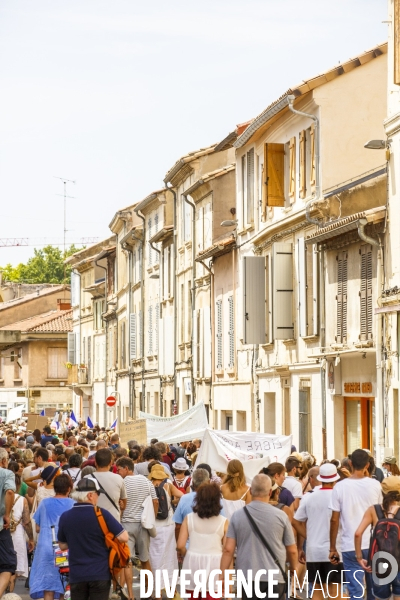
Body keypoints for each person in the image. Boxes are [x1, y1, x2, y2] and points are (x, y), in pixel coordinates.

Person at [220, 474, 297, 600]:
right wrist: (293, 569)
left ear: (250, 491)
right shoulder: (281, 516)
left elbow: (228, 549)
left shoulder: (237, 516)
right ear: (270, 492)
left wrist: (222, 574)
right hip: (274, 576)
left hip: (247, 576)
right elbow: (292, 550)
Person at [58, 477, 129, 600]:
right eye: (98, 494)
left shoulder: (65, 517)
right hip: (100, 573)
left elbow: (62, 545)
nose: (98, 497)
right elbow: (124, 537)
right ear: (90, 495)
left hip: (77, 574)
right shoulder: (102, 514)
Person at [329, 449, 382, 600]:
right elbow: (379, 515)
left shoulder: (339, 487)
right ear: (367, 465)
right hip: (373, 544)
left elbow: (334, 519)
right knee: (374, 590)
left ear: (350, 463)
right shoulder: (375, 485)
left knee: (355, 592)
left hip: (350, 545)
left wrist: (333, 547)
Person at [293, 463, 343, 600]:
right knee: (335, 592)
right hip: (336, 549)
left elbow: (296, 521)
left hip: (314, 550)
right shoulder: (339, 496)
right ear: (335, 479)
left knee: (317, 590)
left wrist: (309, 537)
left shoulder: (309, 496)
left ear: (320, 478)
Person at [116, 457, 158, 600]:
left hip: (126, 525)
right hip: (143, 524)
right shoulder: (147, 481)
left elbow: (120, 503)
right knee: (145, 560)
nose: (118, 472)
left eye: (119, 469)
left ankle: (128, 595)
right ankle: (149, 592)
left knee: (126, 561)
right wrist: (151, 519)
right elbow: (155, 501)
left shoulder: (121, 482)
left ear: (127, 468)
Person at [177, 483, 228, 599]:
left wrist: (186, 553)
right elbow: (227, 550)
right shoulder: (224, 522)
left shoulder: (189, 518)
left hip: (192, 561)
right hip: (215, 563)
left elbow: (180, 545)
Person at [29, 473, 75, 600]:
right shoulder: (73, 504)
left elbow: (37, 528)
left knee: (48, 586)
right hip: (65, 549)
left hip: (46, 548)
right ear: (69, 488)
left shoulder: (44, 503)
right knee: (64, 585)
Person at [355, 476, 400, 600]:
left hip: (380, 563)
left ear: (382, 491)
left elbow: (358, 533)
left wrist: (359, 557)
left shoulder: (374, 510)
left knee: (380, 597)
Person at [148, 463, 183, 595]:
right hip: (168, 525)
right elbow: (182, 496)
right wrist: (171, 504)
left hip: (154, 525)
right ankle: (171, 589)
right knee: (169, 556)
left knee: (154, 556)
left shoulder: (148, 485)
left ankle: (156, 592)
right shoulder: (168, 485)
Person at [8, 473, 32, 591]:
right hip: (16, 535)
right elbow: (26, 522)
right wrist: (31, 539)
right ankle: (9, 594)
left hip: (3, 531)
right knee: (13, 568)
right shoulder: (22, 500)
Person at [0, 448, 17, 597]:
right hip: (1, 527)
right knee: (7, 565)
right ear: (4, 461)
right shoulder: (6, 473)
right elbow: (10, 492)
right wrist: (6, 515)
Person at [92, 448, 127, 522]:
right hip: (113, 523)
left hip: (93, 522)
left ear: (95, 462)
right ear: (111, 463)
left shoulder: (86, 479)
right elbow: (124, 504)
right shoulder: (118, 478)